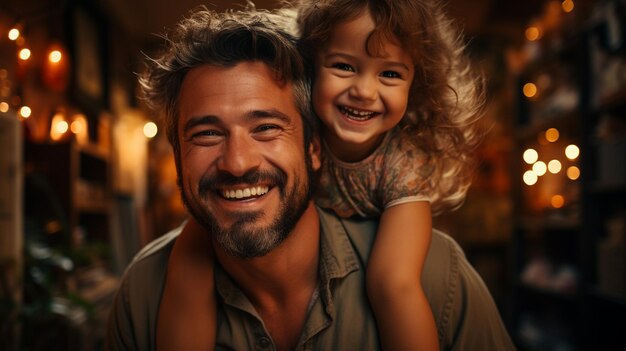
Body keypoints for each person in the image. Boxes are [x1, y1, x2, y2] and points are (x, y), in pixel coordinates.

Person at [105, 7, 516, 351]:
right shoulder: (145, 292)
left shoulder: (438, 277)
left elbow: (396, 282)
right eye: (207, 134)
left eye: (265, 127)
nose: (236, 162)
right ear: (177, 157)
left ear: (315, 146)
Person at [295, 0, 486, 349]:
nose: (365, 91)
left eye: (390, 74)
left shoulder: (404, 161)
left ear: (416, 84)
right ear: (310, 66)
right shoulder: (294, 132)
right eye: (343, 66)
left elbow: (394, 283)